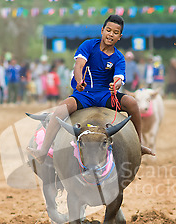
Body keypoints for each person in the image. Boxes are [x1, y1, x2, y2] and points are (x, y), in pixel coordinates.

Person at [28, 15, 154, 163]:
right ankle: (43, 151)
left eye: (115, 32)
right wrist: (80, 80)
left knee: (132, 102)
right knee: (61, 110)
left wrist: (116, 85)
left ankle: (139, 145)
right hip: (84, 94)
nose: (111, 34)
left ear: (120, 36)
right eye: (108, 30)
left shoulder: (119, 57)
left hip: (106, 95)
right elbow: (79, 65)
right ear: (102, 30)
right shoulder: (88, 45)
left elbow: (119, 77)